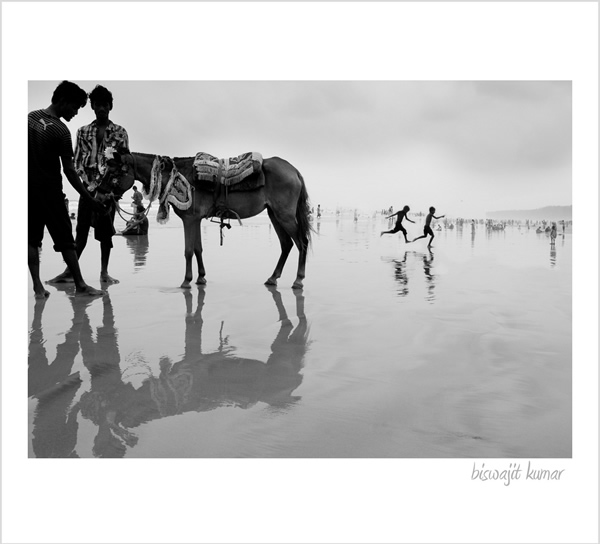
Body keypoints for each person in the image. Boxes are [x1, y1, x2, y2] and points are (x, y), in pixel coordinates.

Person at [28, 81, 106, 299]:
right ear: (63, 102)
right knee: (65, 240)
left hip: (27, 191)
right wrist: (89, 199)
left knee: (31, 239)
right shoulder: (61, 131)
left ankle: (37, 288)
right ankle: (80, 285)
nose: (75, 113)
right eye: (74, 108)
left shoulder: (29, 119)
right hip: (50, 192)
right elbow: (70, 171)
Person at [48, 85, 129, 285]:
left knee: (105, 236)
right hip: (87, 191)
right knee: (81, 232)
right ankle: (70, 271)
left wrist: (111, 191)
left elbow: (123, 165)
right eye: (97, 104)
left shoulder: (120, 132)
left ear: (110, 106)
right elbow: (76, 163)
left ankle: (104, 273)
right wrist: (89, 189)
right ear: (92, 106)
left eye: (105, 104)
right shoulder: (82, 132)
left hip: (108, 193)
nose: (101, 108)